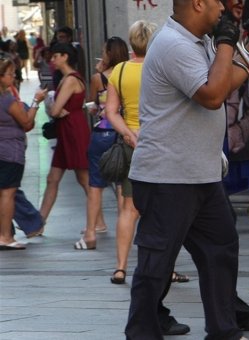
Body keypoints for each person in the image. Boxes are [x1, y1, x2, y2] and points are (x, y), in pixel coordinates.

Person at [123, 1, 249, 338]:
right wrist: (229, 43)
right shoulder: (173, 44)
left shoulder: (198, 41)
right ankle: (142, 331)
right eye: (217, 1)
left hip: (200, 173)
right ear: (198, 4)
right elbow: (213, 95)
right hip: (167, 176)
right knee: (157, 261)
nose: (223, 7)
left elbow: (225, 78)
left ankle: (224, 329)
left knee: (220, 248)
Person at [105, 21, 156, 283]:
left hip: (130, 144)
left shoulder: (119, 71)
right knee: (160, 208)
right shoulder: (160, 68)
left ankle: (120, 267)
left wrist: (127, 133)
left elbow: (110, 112)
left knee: (128, 208)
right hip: (158, 143)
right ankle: (164, 267)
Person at [77, 37, 130, 251]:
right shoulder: (128, 74)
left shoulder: (98, 78)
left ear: (109, 53)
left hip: (102, 133)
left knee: (95, 186)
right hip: (122, 133)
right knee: (121, 188)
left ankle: (90, 233)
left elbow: (92, 106)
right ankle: (123, 233)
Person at [38, 43, 92, 241]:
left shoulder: (70, 79)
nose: (52, 60)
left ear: (65, 57)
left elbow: (54, 109)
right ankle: (39, 222)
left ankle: (97, 222)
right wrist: (57, 109)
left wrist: (54, 107)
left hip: (73, 131)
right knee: (53, 178)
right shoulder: (68, 78)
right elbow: (57, 109)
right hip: (67, 131)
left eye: (55, 56)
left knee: (84, 179)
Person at [0, 57, 46, 250]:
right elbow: (26, 122)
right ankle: (6, 237)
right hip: (10, 152)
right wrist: (36, 101)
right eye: (10, 74)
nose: (13, 77)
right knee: (8, 194)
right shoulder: (7, 101)